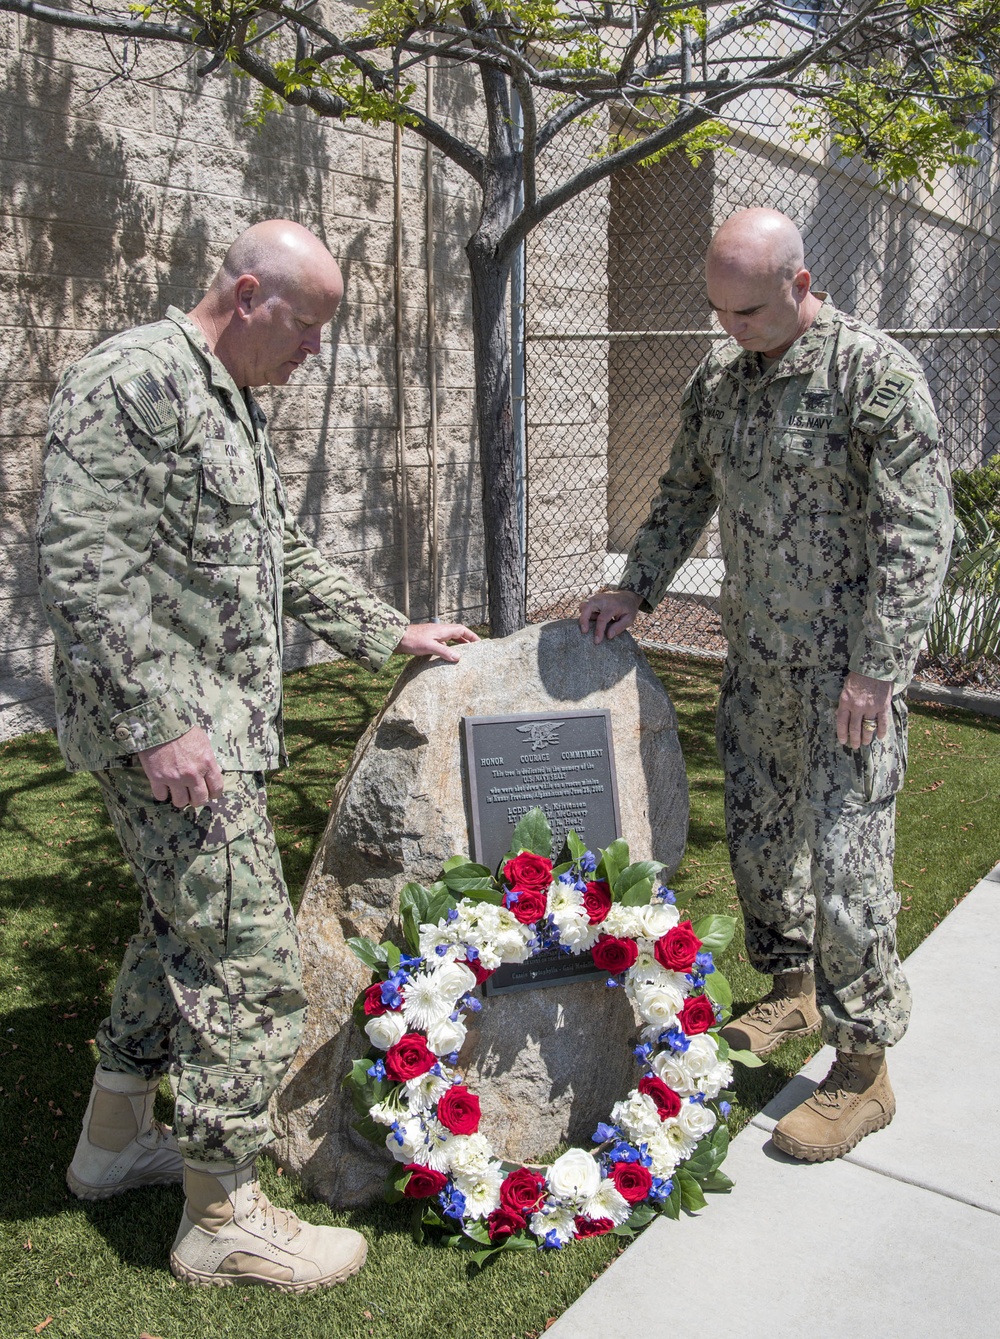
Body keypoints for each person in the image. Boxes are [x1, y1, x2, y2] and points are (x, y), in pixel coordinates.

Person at [36, 219, 479, 1291]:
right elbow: (82, 558)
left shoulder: (228, 396)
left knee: (173, 923)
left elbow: (272, 546)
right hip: (173, 734)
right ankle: (223, 1211)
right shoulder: (134, 378)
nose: (314, 352)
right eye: (309, 326)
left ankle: (110, 1139)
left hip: (211, 721)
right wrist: (160, 723)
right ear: (247, 294)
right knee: (250, 960)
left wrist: (388, 631)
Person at [580, 208, 953, 1162]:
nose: (728, 328)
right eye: (717, 309)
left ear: (800, 283)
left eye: (744, 310)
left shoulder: (874, 375)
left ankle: (864, 1068)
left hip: (846, 681)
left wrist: (878, 667)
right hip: (754, 666)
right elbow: (683, 490)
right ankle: (790, 995)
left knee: (846, 871)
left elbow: (920, 535)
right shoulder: (721, 380)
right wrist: (637, 583)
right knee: (758, 844)